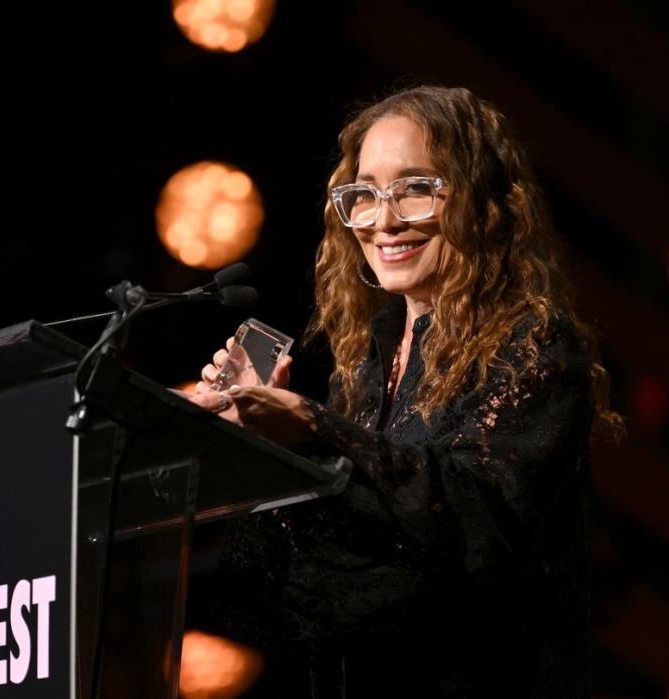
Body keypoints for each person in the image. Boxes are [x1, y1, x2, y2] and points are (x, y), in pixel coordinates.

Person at [190, 85, 621, 698]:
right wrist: (263, 446)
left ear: (479, 201)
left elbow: (471, 519)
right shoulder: (371, 360)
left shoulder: (533, 343)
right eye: (364, 194)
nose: (383, 220)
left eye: (416, 188)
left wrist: (314, 430)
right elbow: (350, 555)